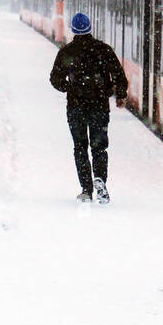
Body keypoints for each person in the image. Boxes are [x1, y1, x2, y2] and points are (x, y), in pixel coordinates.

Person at [49, 11, 128, 204]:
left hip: (76, 107)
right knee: (99, 147)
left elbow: (55, 79)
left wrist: (70, 88)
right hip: (99, 106)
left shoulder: (67, 52)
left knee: (80, 147)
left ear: (73, 30)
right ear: (90, 28)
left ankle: (86, 188)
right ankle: (100, 180)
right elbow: (119, 75)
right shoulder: (103, 50)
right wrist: (120, 95)